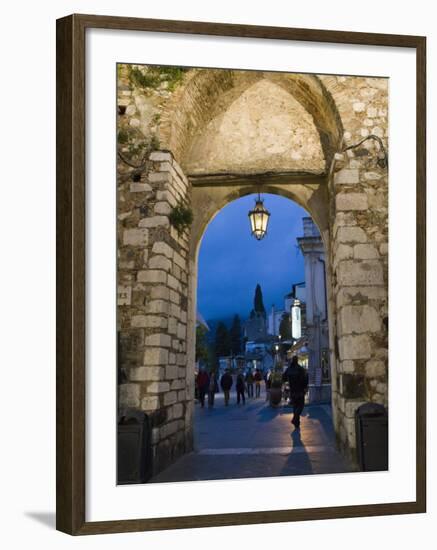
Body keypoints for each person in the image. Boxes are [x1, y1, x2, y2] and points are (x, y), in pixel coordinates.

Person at [285, 356, 309, 428]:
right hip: (300, 391)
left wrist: (289, 381)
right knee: (301, 405)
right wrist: (305, 387)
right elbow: (305, 379)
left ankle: (296, 422)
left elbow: (283, 377)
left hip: (292, 391)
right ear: (297, 360)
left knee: (295, 406)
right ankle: (295, 418)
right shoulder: (301, 369)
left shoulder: (289, 369)